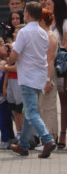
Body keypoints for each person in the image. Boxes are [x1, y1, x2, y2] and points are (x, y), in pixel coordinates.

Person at [6, 1, 56, 157]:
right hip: (39, 76)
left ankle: (47, 139)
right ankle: (23, 145)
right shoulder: (43, 33)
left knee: (31, 112)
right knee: (29, 111)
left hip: (27, 77)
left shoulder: (24, 32)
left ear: (26, 14)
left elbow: (15, 55)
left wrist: (8, 59)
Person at [45, 0, 67, 148]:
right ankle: (50, 133)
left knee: (64, 101)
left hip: (61, 66)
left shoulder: (64, 24)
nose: (46, 7)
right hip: (49, 67)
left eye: (49, 4)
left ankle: (63, 135)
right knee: (52, 101)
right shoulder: (47, 23)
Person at [38, 8, 59, 145]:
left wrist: (47, 80)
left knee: (48, 108)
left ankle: (51, 139)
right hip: (43, 75)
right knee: (42, 107)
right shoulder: (45, 35)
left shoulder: (50, 37)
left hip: (48, 76)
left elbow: (50, 60)